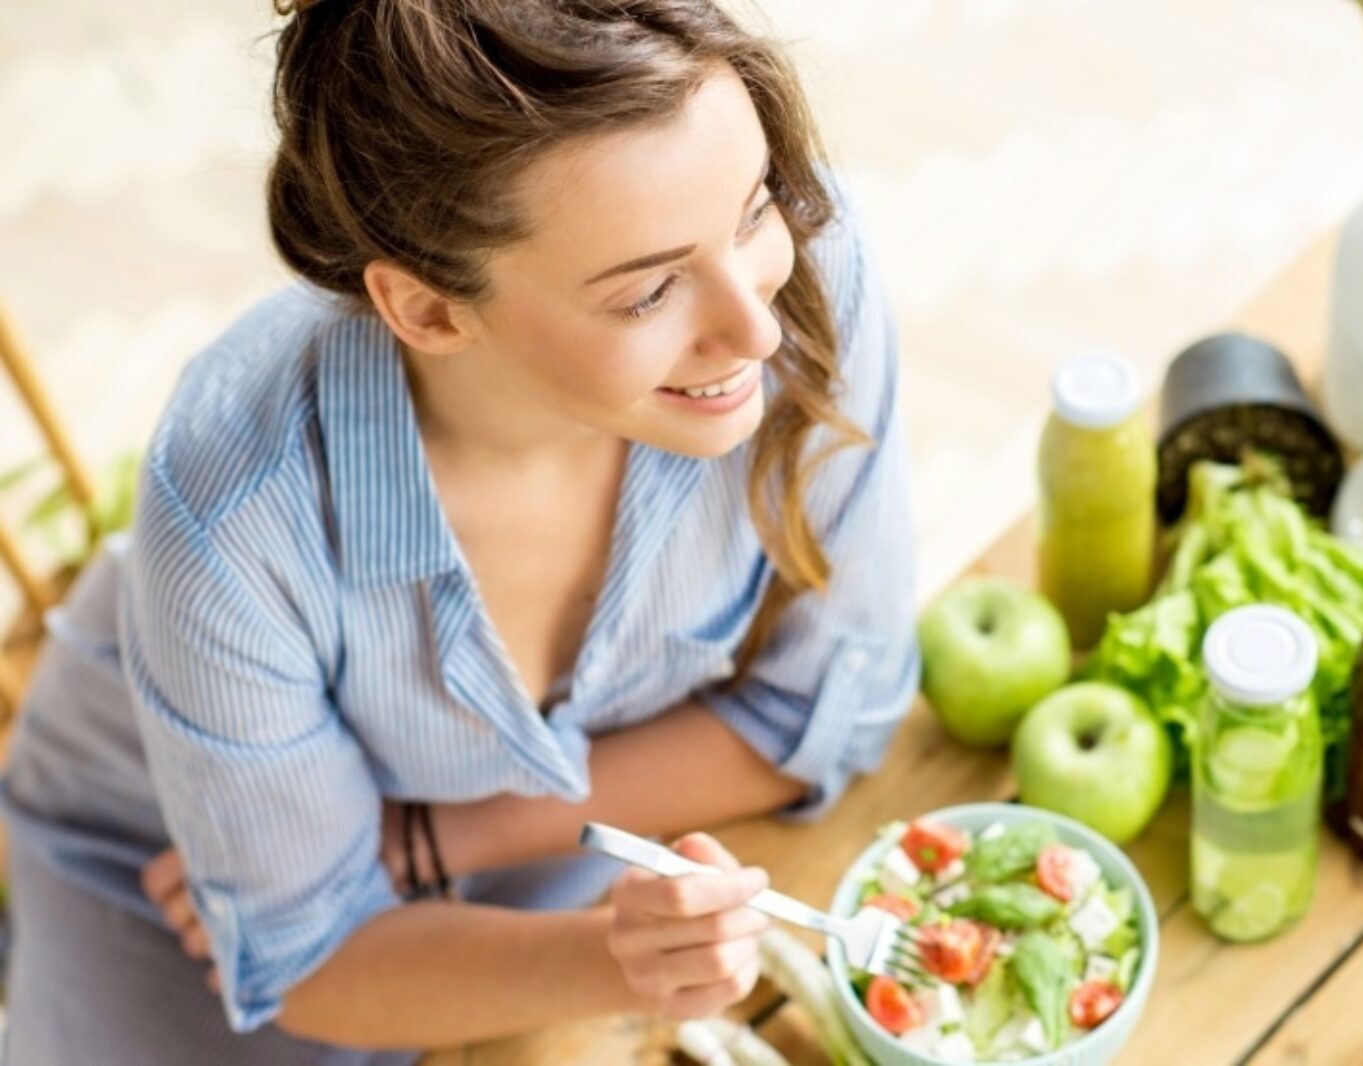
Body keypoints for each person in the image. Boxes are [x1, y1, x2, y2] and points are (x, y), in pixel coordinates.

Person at [0, 1, 918, 1061]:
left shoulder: (802, 279)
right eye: (649, 291)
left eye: (753, 209)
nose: (755, 326)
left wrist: (431, 841)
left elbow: (835, 708)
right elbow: (311, 959)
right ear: (429, 310)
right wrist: (617, 956)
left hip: (518, 851)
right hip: (165, 862)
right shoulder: (232, 512)